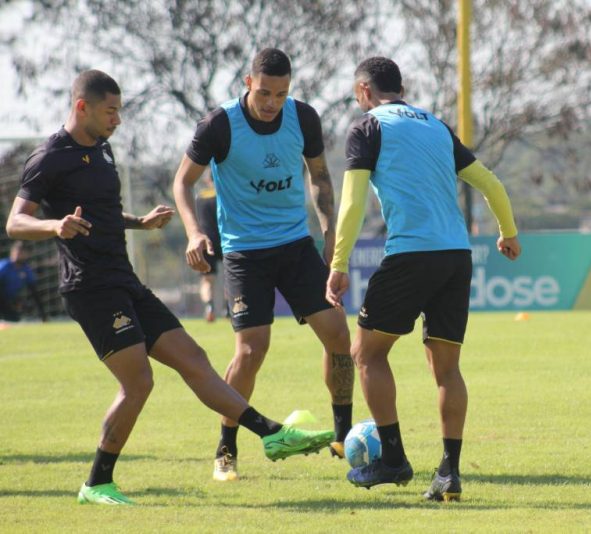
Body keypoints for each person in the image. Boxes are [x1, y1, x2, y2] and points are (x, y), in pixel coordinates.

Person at [5, 69, 334, 506]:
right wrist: (54, 226)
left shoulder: (102, 149)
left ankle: (271, 435)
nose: (117, 120)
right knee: (139, 382)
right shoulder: (49, 157)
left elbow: (100, 215)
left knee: (194, 358)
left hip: (123, 279)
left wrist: (138, 222)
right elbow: (15, 222)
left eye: (119, 111)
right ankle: (96, 483)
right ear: (82, 107)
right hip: (90, 288)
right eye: (110, 111)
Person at [326, 57, 521, 501]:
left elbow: (353, 203)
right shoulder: (436, 126)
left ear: (363, 91)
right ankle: (449, 473)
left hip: (412, 254)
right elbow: (489, 182)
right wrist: (507, 232)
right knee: (446, 368)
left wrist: (338, 264)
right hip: (456, 255)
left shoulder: (367, 127)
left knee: (367, 354)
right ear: (401, 87)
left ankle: (392, 459)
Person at [172, 47, 354, 482]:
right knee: (251, 351)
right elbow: (182, 182)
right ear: (248, 83)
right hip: (244, 252)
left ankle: (343, 436)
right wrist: (195, 233)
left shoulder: (303, 118)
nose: (273, 102)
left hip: (295, 245)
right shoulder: (219, 125)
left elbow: (321, 176)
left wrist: (329, 230)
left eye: (282, 93)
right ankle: (226, 448)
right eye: (266, 92)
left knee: (338, 335)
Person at [194, 172, 225, 322]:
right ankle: (228, 308)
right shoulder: (223, 195)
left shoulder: (199, 197)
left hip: (206, 241)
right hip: (225, 239)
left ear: (207, 180)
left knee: (207, 280)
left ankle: (209, 306)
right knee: (230, 277)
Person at [0, 240, 47, 322]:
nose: (17, 254)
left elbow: (34, 292)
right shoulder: (4, 266)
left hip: (8, 301)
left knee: (14, 319)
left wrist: (42, 314)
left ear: (26, 254)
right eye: (16, 251)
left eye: (21, 252)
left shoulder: (26, 269)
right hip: (3, 300)